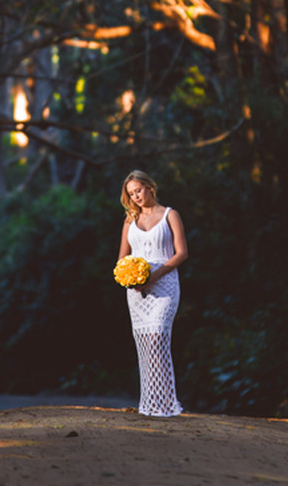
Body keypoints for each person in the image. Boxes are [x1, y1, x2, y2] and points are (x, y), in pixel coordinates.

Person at [117, 170, 188, 417]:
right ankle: (154, 402)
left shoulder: (170, 215)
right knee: (145, 342)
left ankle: (165, 401)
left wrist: (153, 276)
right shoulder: (129, 221)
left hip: (165, 284)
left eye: (138, 190)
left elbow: (181, 253)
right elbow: (122, 259)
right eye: (131, 193)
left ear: (150, 187)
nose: (135, 196)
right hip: (137, 292)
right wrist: (130, 279)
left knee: (158, 335)